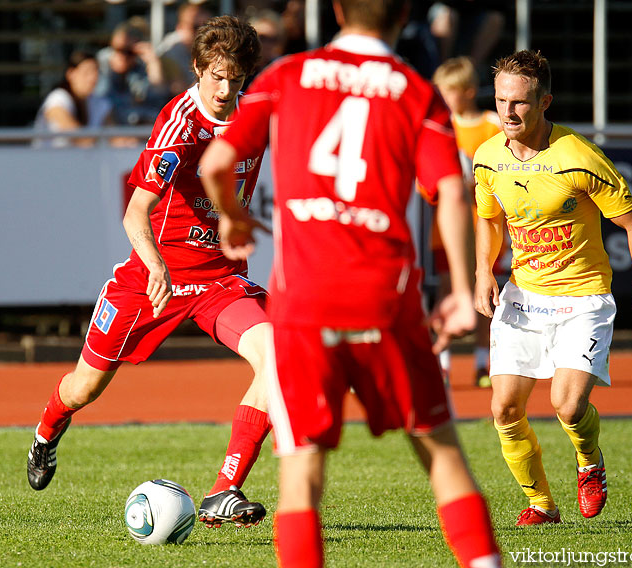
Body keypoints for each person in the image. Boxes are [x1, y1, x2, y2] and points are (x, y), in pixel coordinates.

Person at [199, 1, 502, 567]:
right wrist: (462, 290)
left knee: (302, 473)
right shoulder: (415, 91)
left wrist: (232, 216)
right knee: (441, 455)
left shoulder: (285, 76)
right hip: (386, 298)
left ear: (337, 9)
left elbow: (216, 163)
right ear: (403, 13)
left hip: (304, 305)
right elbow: (453, 192)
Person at [27, 15, 272, 530]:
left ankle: (225, 489)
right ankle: (48, 431)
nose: (226, 89)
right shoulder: (180, 123)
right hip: (151, 279)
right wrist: (156, 263)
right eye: (217, 76)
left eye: (237, 78)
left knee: (278, 356)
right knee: (84, 389)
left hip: (216, 280)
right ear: (199, 69)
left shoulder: (257, 118)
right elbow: (135, 212)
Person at [473, 50, 632, 526]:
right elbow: (489, 219)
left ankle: (589, 462)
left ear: (544, 103)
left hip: (582, 299)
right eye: (501, 100)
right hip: (524, 294)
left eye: (520, 102)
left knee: (567, 405)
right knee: (503, 409)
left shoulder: (577, 156)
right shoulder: (487, 159)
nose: (508, 112)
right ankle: (541, 504)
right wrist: (484, 270)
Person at [431, 56, 504, 388]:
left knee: (484, 292)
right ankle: (442, 362)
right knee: (447, 290)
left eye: (450, 91)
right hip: (445, 228)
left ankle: (482, 362)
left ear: (469, 91)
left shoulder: (492, 124)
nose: (444, 98)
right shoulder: (439, 126)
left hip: (485, 225)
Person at [94, 16, 170, 126]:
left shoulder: (140, 66)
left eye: (128, 52)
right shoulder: (103, 61)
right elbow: (100, 100)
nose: (122, 56)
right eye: (117, 49)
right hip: (110, 131)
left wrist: (153, 63)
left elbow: (158, 97)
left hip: (136, 130)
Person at [33, 50, 110, 147]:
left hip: (84, 160)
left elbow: (115, 134)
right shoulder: (57, 98)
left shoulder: (98, 102)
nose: (93, 77)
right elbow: (78, 138)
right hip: (52, 160)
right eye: (87, 72)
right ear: (70, 74)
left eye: (96, 71)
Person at [157, 3, 213, 97]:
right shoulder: (170, 50)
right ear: (180, 28)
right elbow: (181, 92)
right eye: (195, 27)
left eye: (207, 28)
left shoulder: (211, 47)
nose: (202, 33)